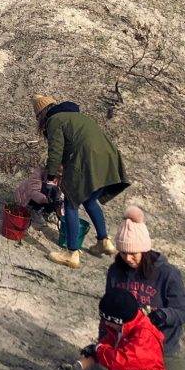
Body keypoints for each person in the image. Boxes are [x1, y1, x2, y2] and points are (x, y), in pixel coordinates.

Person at [84, 206, 185, 370]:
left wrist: (163, 316)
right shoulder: (116, 272)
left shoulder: (168, 274)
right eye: (123, 253)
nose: (129, 258)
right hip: (123, 348)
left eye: (133, 253)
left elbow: (182, 312)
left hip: (161, 352)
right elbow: (108, 314)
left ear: (145, 249)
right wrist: (99, 345)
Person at [33, 95, 129, 269]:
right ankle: (103, 241)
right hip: (109, 157)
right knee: (90, 200)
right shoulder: (77, 117)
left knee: (71, 203)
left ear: (41, 115)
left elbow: (55, 151)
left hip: (88, 160)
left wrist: (49, 178)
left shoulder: (54, 120)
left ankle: (71, 253)